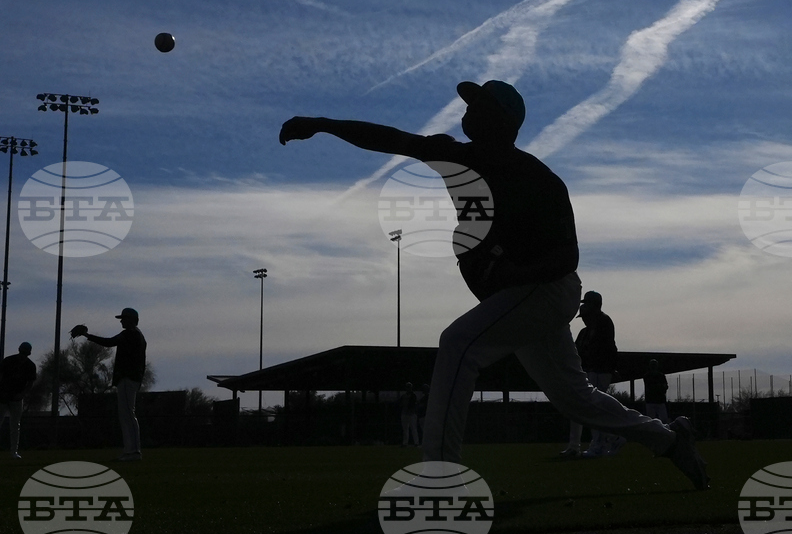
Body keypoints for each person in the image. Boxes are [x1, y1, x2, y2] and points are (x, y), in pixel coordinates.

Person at [279, 79, 709, 490]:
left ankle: (441, 476)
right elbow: (392, 139)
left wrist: (516, 275)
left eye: (477, 106)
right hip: (521, 296)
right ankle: (670, 440)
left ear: (502, 121)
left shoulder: (536, 179)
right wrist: (324, 125)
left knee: (459, 344)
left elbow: (567, 256)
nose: (467, 112)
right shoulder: (456, 157)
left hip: (550, 289)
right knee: (573, 398)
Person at [71, 308, 147, 461]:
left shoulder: (130, 334)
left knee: (127, 414)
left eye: (124, 318)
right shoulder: (137, 335)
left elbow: (109, 342)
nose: (121, 321)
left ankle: (133, 452)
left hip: (128, 378)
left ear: (131, 320)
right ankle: (130, 451)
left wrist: (87, 335)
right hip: (131, 378)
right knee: (127, 414)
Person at [561, 291, 626, 458]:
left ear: (595, 306)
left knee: (595, 409)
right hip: (589, 371)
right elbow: (575, 352)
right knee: (588, 408)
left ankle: (600, 444)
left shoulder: (604, 322)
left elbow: (608, 349)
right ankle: (608, 438)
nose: (583, 318)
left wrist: (612, 368)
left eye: (586, 310)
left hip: (600, 370)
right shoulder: (584, 331)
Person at [0, 342, 37, 459]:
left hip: (16, 398)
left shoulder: (30, 366)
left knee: (15, 425)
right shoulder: (8, 361)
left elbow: (30, 383)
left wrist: (22, 394)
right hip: (3, 396)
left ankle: (14, 451)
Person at [644, 359, 670, 423]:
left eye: (654, 365)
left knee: (661, 420)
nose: (653, 367)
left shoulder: (659, 375)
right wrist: (660, 387)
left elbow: (665, 386)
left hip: (657, 401)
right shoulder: (648, 376)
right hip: (653, 401)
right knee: (651, 420)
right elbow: (652, 387)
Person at [399, 382, 419, 447]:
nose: (408, 388)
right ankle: (405, 443)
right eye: (407, 387)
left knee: (413, 428)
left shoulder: (413, 396)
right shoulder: (404, 396)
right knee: (406, 429)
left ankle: (416, 442)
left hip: (411, 414)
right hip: (405, 413)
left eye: (409, 387)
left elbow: (414, 405)